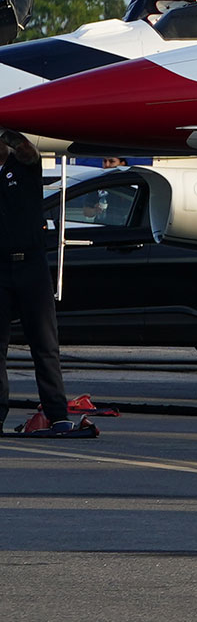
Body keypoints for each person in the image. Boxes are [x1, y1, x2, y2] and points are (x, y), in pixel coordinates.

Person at [0, 130, 79, 435]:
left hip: (30, 265)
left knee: (44, 344)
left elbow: (28, 151)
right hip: (1, 267)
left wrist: (7, 126)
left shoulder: (24, 167)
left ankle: (57, 413)